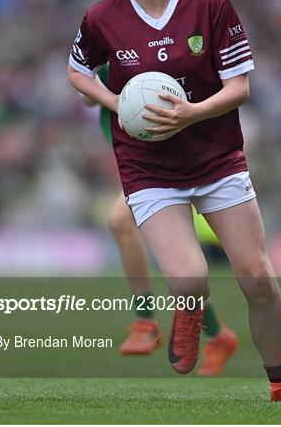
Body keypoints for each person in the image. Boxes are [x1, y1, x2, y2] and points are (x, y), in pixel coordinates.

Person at [68, 0, 281, 402]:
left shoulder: (210, 3)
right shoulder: (101, 18)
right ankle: (189, 314)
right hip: (149, 167)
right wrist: (115, 101)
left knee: (257, 276)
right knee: (192, 277)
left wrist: (191, 113)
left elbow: (240, 87)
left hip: (216, 157)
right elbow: (78, 72)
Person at [85, 63, 238, 376]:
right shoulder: (105, 44)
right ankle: (217, 335)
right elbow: (87, 97)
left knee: (120, 221)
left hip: (173, 164)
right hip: (141, 163)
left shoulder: (154, 50)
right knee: (181, 273)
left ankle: (145, 321)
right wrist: (99, 73)